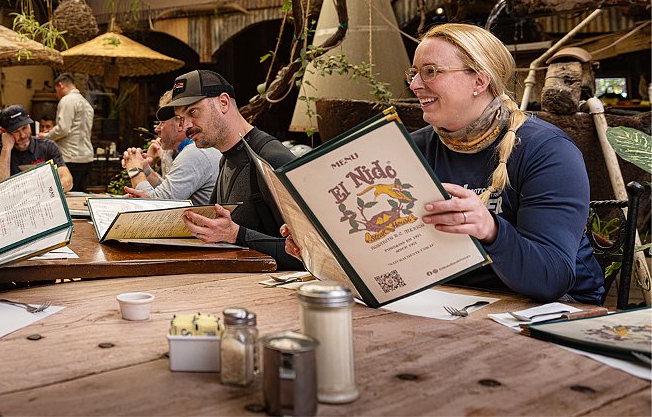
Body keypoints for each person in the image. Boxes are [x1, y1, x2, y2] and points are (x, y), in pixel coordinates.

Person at [284, 24, 606, 304]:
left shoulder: (547, 151)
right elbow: (392, 255)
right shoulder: (412, 146)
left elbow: (552, 278)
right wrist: (323, 251)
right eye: (414, 73)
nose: (414, 85)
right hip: (449, 298)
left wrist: (491, 230)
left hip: (551, 306)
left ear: (479, 81)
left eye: (431, 72)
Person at [156, 70, 300, 269]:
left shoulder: (271, 158)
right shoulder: (225, 160)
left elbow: (314, 253)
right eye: (181, 117)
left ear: (223, 103)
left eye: (193, 112)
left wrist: (236, 235)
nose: (186, 126)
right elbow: (210, 227)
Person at [121, 90, 220, 205]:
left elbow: (157, 206)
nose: (157, 129)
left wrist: (135, 170)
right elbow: (169, 194)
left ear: (180, 123)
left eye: (162, 123)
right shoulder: (194, 149)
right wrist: (145, 169)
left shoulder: (196, 152)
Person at [0, 104, 73, 191]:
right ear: (4, 132)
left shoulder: (48, 146)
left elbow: (67, 180)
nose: (22, 135)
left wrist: (51, 190)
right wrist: (6, 150)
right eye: (16, 131)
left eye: (25, 128)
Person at [39, 73, 94, 192]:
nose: (56, 95)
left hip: (71, 156)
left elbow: (63, 129)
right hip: (87, 157)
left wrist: (46, 136)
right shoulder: (85, 102)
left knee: (68, 194)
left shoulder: (67, 100)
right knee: (80, 194)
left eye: (56, 90)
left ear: (61, 85)